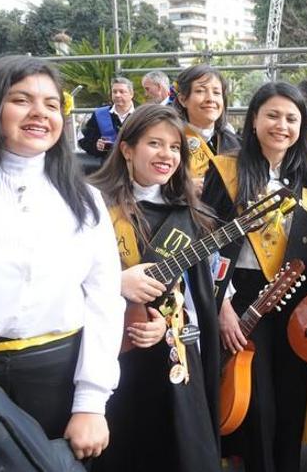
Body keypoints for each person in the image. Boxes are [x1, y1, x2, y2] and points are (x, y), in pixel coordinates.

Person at [0, 55, 123, 460]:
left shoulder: (83, 200)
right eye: (21, 100)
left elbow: (104, 300)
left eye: (52, 104)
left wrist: (91, 402)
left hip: (57, 377)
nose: (40, 113)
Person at [202, 81, 307, 472]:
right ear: (253, 120)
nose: (281, 125)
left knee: (291, 396)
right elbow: (208, 245)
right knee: (257, 403)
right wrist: (222, 307)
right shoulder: (227, 171)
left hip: (295, 298)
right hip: (244, 298)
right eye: (272, 115)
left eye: (291, 118)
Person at [90, 104, 221, 472]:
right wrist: (117, 283)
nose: (166, 155)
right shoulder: (93, 204)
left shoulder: (191, 215)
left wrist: (167, 323)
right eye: (154, 143)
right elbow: (61, 277)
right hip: (107, 360)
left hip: (171, 364)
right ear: (127, 148)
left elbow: (198, 303)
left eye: (175, 147)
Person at [174, 64, 240, 186]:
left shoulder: (235, 144)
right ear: (183, 99)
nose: (210, 99)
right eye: (200, 91)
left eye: (216, 93)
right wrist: (184, 188)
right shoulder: (171, 140)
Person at [78, 77, 136, 163]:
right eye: (114, 92)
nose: (117, 95)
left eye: (122, 91)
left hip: (136, 166)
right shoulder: (99, 114)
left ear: (131, 94)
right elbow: (85, 140)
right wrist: (96, 146)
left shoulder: (142, 115)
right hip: (109, 167)